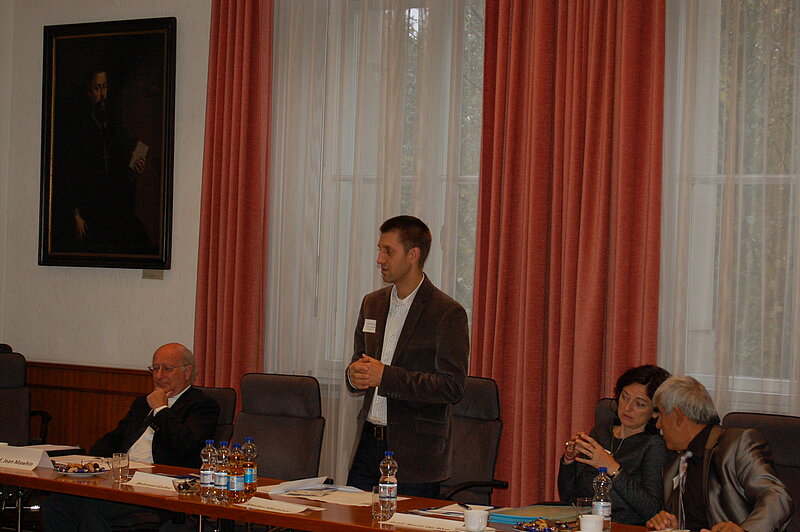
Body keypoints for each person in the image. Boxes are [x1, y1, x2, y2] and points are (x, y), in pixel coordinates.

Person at [345, 215, 469, 498]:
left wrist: (386, 376)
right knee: (350, 517)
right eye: (380, 249)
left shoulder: (447, 312)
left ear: (413, 255)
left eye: (388, 251)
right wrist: (353, 375)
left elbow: (452, 386)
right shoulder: (372, 303)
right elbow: (358, 361)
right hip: (367, 446)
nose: (379, 259)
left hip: (415, 457)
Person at [42, 342, 219, 532]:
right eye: (155, 368)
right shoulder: (142, 403)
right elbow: (116, 438)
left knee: (91, 509)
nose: (159, 376)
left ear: (187, 372)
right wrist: (89, 462)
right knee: (56, 503)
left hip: (161, 486)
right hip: (122, 478)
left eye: (167, 369)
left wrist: (160, 409)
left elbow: (183, 444)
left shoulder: (202, 405)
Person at [646, 376, 793, 532]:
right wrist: (672, 526)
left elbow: (777, 497)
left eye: (661, 415)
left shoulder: (737, 444)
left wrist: (743, 531)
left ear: (677, 416)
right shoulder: (672, 467)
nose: (658, 424)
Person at [52, 67, 153, 254]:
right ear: (87, 92)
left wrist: (133, 171)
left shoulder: (110, 124)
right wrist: (75, 214)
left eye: (104, 87)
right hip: (87, 207)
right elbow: (68, 172)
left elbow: (117, 171)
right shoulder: (77, 126)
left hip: (110, 205)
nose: (102, 94)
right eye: (97, 88)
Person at [558, 365, 672, 525]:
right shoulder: (601, 432)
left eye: (640, 404)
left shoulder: (654, 445)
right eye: (625, 397)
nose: (627, 408)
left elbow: (652, 508)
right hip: (583, 524)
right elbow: (568, 497)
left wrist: (613, 469)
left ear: (655, 412)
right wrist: (569, 460)